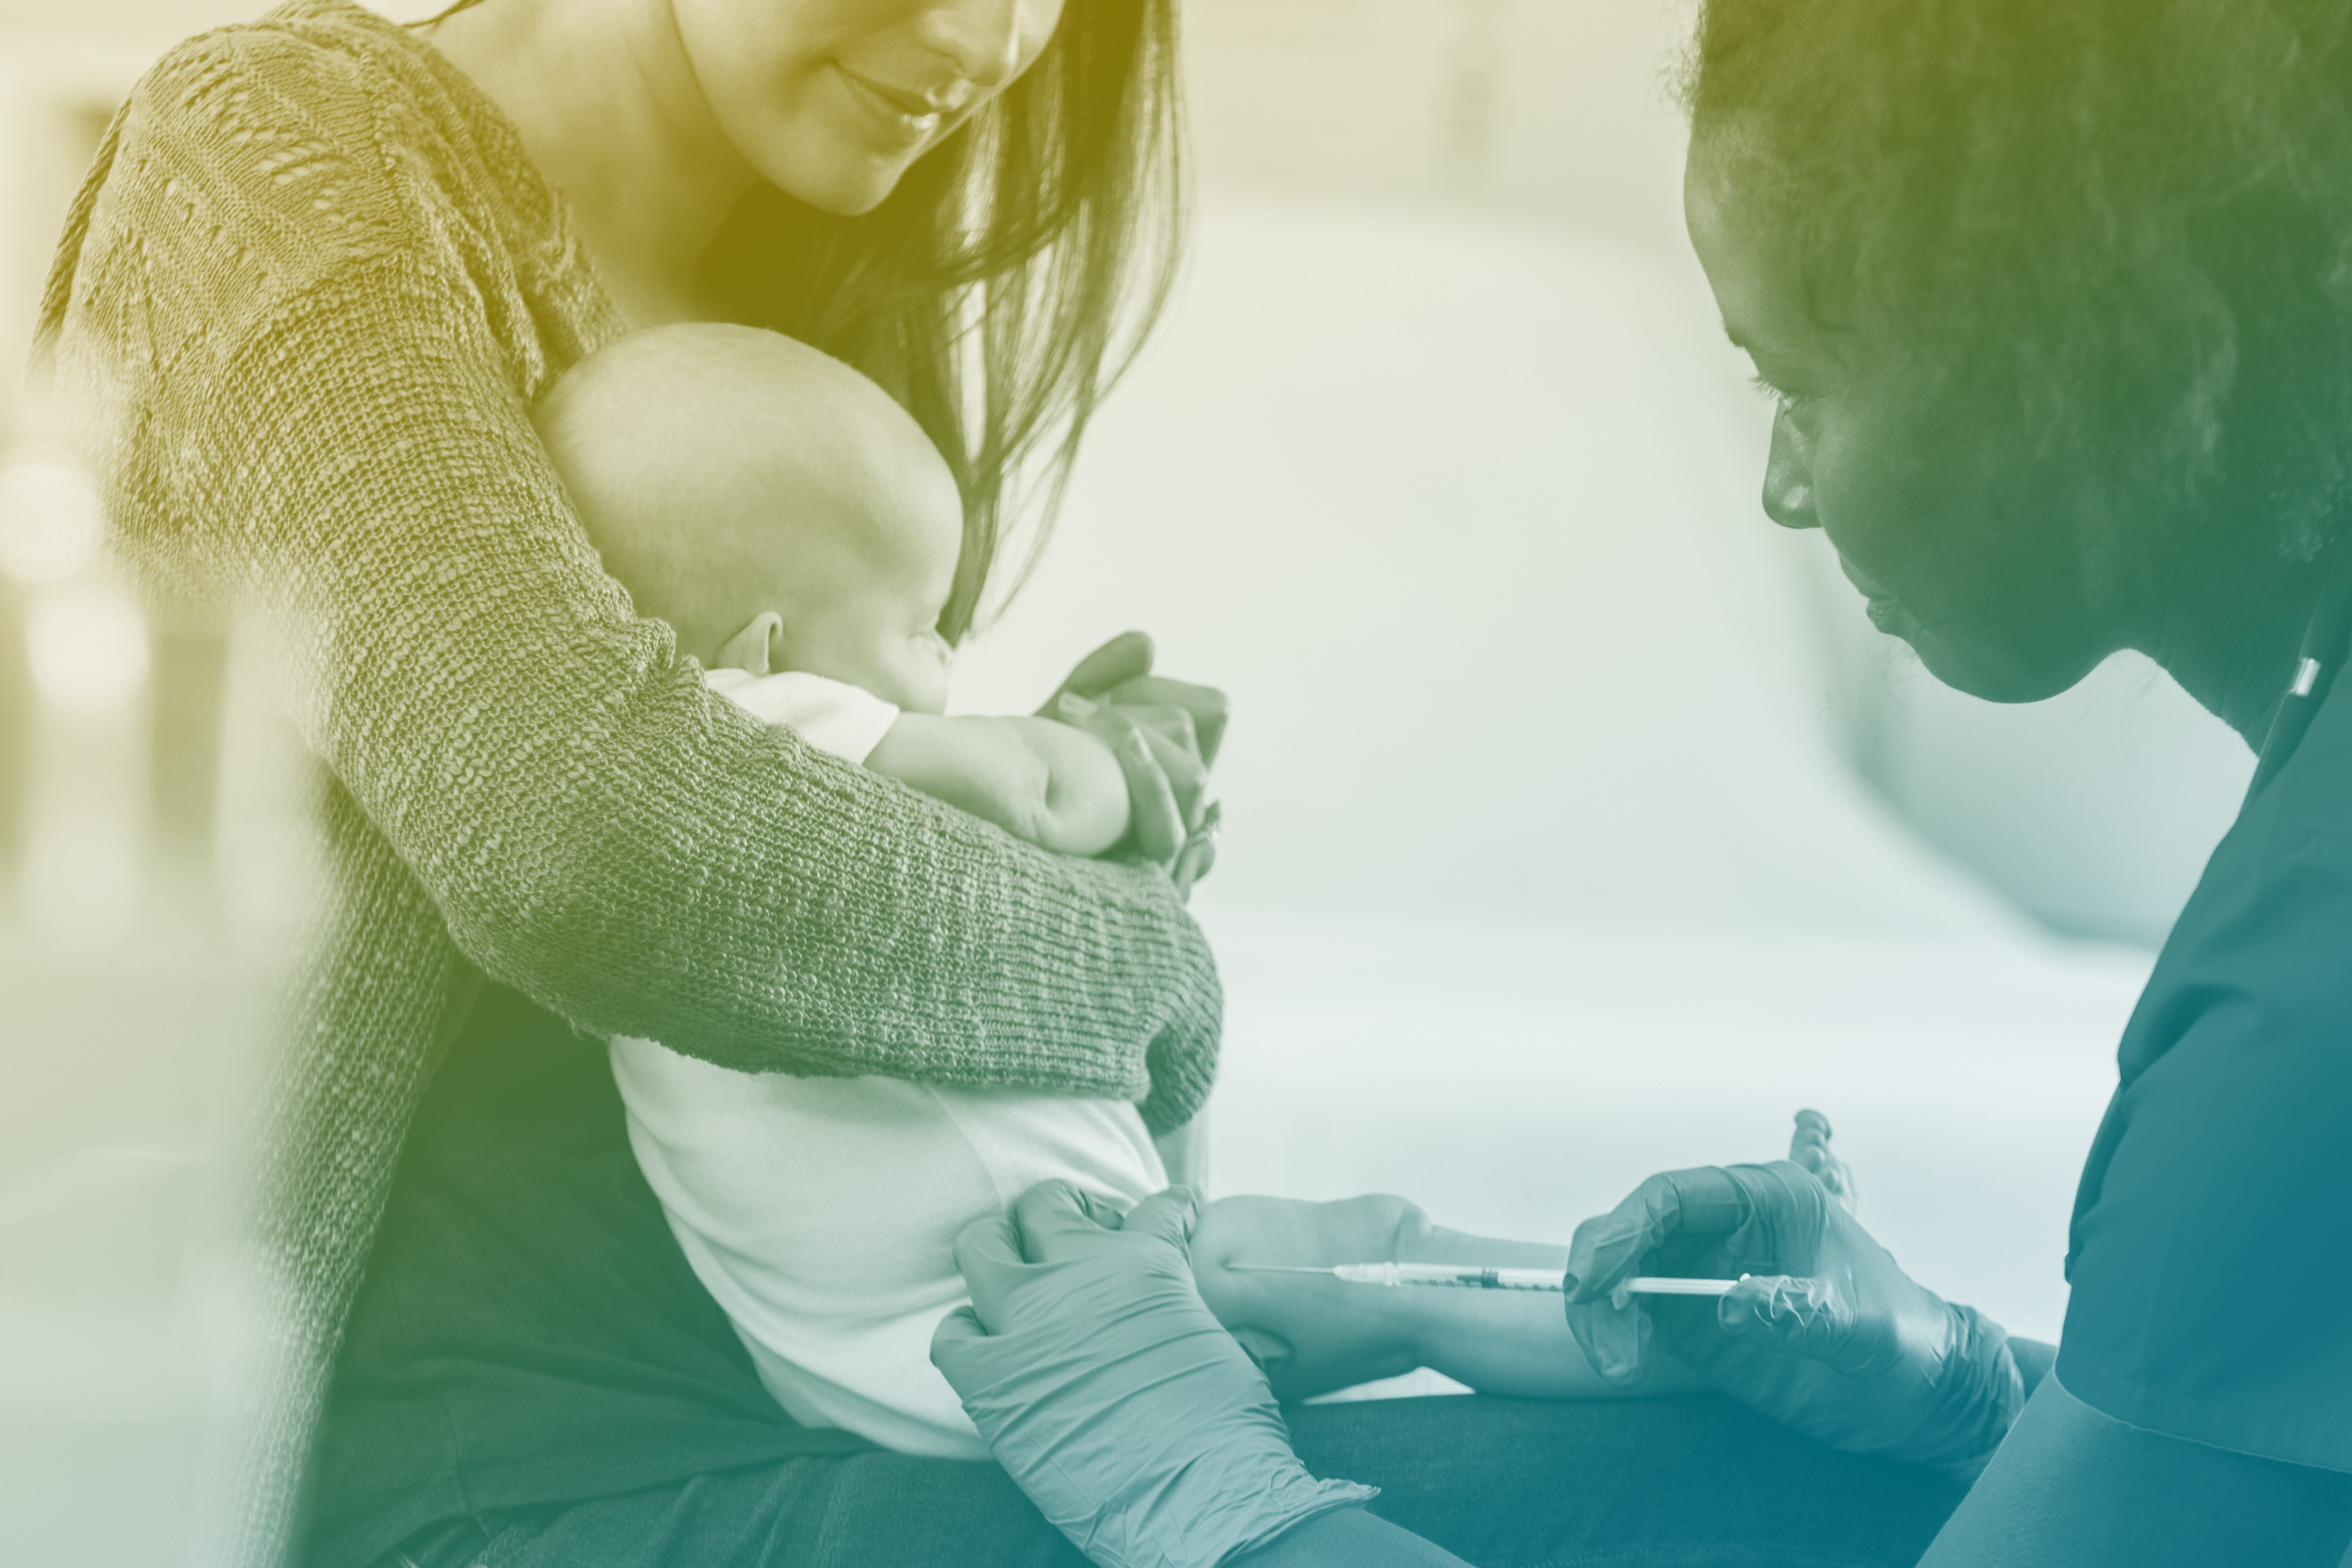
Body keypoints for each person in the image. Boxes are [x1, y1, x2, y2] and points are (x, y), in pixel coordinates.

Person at [926, 2, 2352, 1565]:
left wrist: (1207, 1496)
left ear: (2067, 340)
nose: (1782, 485)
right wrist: (1958, 1381)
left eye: (1798, 383)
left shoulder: (2295, 1001)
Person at [541, 322, 1862, 1460]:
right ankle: (1716, 1331)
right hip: (1014, 1324)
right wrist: (1118, 765)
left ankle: (1708, 1297)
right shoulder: (748, 724)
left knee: (1380, 1246)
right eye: (919, 626)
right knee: (1393, 1280)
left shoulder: (710, 773)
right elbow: (1031, 792)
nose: (948, 662)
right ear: (764, 643)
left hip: (967, 1322)